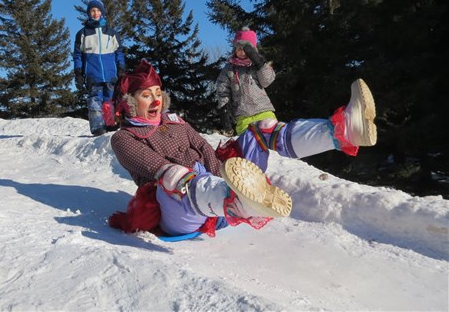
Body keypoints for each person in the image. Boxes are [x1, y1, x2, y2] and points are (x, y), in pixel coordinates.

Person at [108, 60, 377, 237]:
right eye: (146, 95)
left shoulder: (175, 121)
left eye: (157, 92)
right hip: (177, 208)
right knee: (174, 175)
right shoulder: (124, 138)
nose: (155, 99)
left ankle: (340, 131)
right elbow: (156, 167)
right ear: (130, 102)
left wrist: (221, 175)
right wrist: (210, 183)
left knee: (261, 130)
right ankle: (237, 201)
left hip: (214, 191)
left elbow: (202, 145)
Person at [73, 0, 125, 136]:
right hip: (92, 74)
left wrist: (121, 68)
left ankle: (111, 124)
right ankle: (97, 127)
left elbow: (118, 52)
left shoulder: (112, 33)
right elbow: (78, 55)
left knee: (110, 100)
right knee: (95, 100)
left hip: (110, 73)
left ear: (102, 12)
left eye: (98, 10)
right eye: (92, 11)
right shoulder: (82, 34)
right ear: (89, 13)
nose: (95, 13)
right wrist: (78, 73)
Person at [216, 27, 277, 136]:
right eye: (238, 48)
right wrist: (224, 108)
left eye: (246, 48)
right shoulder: (229, 69)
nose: (242, 51)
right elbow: (222, 90)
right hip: (243, 117)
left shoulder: (257, 66)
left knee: (272, 142)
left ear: (252, 50)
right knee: (249, 147)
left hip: (264, 112)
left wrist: (259, 63)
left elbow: (267, 81)